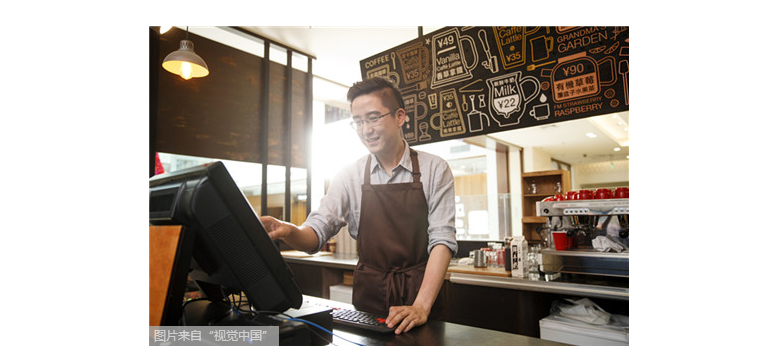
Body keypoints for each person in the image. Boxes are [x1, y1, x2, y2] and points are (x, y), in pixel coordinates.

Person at [260, 77, 457, 334]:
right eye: (358, 121)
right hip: (370, 299)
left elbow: (442, 240)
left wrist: (420, 306)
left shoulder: (435, 168)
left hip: (422, 297)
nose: (366, 130)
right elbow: (316, 234)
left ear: (400, 117)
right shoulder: (349, 175)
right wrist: (289, 231)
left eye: (374, 117)